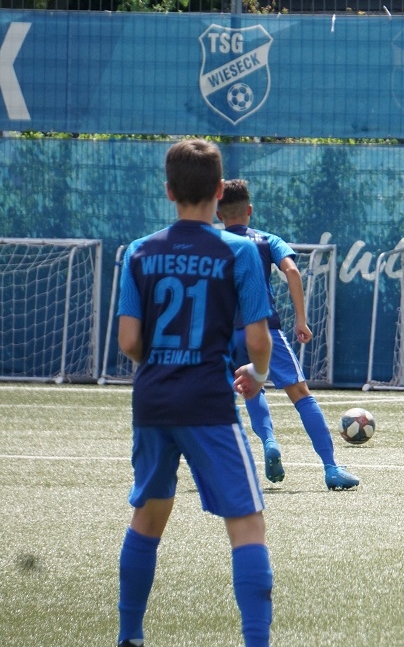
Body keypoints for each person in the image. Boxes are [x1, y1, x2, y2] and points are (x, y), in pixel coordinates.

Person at [116, 140, 275, 647]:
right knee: (246, 524)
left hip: (152, 401)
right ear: (219, 190)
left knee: (149, 516)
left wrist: (164, 364)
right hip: (208, 401)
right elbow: (258, 340)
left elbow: (128, 342)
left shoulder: (139, 251)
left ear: (168, 191)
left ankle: (129, 636)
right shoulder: (240, 250)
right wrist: (259, 373)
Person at [217, 178, 360, 491]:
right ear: (249, 210)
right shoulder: (266, 240)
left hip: (225, 334)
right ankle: (331, 468)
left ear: (218, 213)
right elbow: (292, 271)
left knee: (249, 391)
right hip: (263, 329)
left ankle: (269, 442)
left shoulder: (213, 243)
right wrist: (301, 321)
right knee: (301, 395)